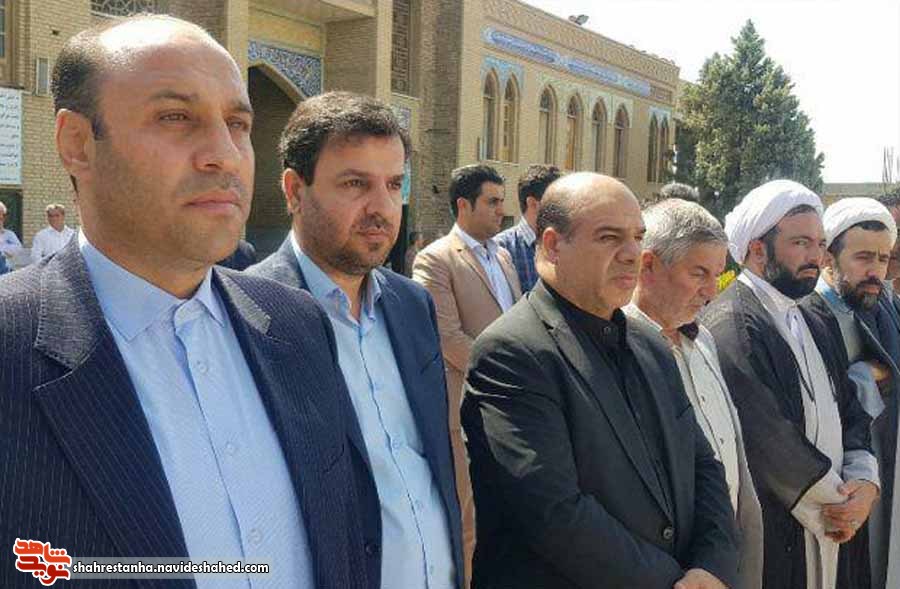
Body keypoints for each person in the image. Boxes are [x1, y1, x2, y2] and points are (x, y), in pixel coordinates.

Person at [0, 15, 367, 589]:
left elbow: (345, 539)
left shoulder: (296, 326)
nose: (225, 154)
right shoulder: (13, 346)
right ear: (77, 143)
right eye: (176, 117)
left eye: (238, 124)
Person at [462, 172, 738, 589]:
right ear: (553, 245)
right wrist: (674, 582)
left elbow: (702, 465)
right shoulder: (512, 352)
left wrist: (712, 564)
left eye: (638, 237)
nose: (632, 254)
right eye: (610, 237)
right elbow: (554, 513)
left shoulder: (650, 343)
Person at [249, 91, 464, 589]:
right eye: (355, 184)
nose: (382, 208)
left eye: (393, 184)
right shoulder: (250, 314)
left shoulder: (412, 305)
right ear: (294, 190)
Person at [701, 180, 880, 589]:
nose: (816, 256)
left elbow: (850, 408)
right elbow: (767, 438)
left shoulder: (814, 316)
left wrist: (865, 481)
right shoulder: (733, 322)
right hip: (784, 522)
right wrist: (841, 505)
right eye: (800, 243)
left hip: (838, 514)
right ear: (757, 250)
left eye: (820, 244)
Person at [626, 198, 763, 589]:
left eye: (717, 275)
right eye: (699, 273)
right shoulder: (618, 350)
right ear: (648, 265)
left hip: (722, 559)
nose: (711, 290)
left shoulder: (702, 340)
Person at [412, 163, 522, 583]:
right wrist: (506, 375)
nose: (501, 211)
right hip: (466, 409)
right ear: (463, 205)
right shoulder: (436, 259)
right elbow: (447, 337)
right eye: (492, 202)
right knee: (468, 521)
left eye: (501, 201)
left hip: (511, 409)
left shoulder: (504, 256)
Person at [802, 197, 900, 589]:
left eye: (882, 258)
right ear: (829, 256)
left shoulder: (882, 306)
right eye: (862, 258)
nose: (875, 270)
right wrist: (866, 376)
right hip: (840, 477)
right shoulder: (810, 313)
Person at [495, 164, 563, 291]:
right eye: (556, 203)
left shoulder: (564, 245)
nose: (563, 209)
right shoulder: (500, 249)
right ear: (533, 204)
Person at [0, 200, 21, 274]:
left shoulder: (9, 234)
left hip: (6, 273)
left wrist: (3, 249)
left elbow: (18, 249)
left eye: (3, 215)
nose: (1, 217)